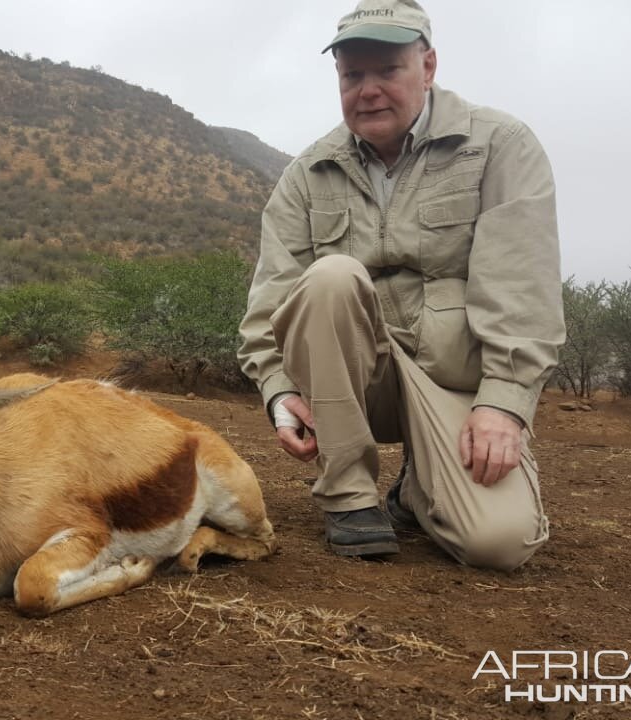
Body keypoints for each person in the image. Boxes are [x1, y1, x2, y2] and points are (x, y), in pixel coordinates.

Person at [238, 0, 564, 569]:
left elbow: (522, 286)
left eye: (387, 71)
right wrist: (278, 391)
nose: (368, 90)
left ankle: (417, 488)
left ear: (428, 66)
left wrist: (504, 406)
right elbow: (271, 303)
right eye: (352, 74)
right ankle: (349, 497)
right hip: (357, 387)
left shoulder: (499, 145)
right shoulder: (306, 175)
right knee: (331, 277)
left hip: (457, 382)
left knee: (499, 543)